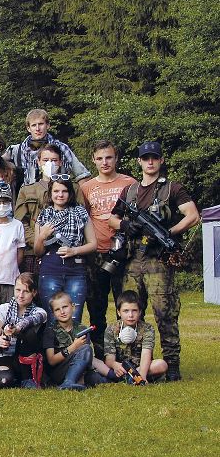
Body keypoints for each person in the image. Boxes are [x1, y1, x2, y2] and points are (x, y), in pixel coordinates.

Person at [120, 141, 199, 381]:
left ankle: (171, 364)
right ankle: (134, 363)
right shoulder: (130, 191)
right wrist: (126, 225)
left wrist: (168, 233)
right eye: (146, 158)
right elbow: (112, 219)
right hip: (133, 260)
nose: (150, 162)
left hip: (159, 261)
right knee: (131, 312)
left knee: (165, 313)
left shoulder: (172, 188)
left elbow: (193, 216)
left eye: (154, 157)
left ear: (161, 160)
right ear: (139, 161)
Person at [80, 140, 137, 353]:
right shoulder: (86, 188)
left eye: (109, 157)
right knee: (96, 306)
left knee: (127, 304)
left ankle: (128, 351)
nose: (104, 162)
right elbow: (83, 218)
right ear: (93, 160)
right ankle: (101, 352)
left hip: (125, 253)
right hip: (96, 253)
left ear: (116, 158)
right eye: (100, 158)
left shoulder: (130, 183)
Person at [34, 177, 96, 322]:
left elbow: (93, 244)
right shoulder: (44, 215)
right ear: (50, 193)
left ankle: (76, 339)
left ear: (70, 193)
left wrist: (74, 251)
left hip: (75, 271)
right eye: (56, 191)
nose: (60, 195)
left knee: (74, 318)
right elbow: (38, 252)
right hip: (50, 271)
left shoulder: (80, 213)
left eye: (64, 191)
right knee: (52, 319)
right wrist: (42, 236)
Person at [15, 144, 69, 274]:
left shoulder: (72, 188)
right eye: (45, 160)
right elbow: (20, 222)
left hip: (65, 250)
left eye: (54, 160)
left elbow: (80, 217)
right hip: (33, 252)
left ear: (60, 162)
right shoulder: (27, 190)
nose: (50, 164)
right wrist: (38, 241)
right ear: (38, 162)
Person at [0, 272, 46, 388]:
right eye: (18, 290)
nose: (20, 295)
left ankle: (27, 378)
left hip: (25, 357)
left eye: (26, 291)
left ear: (34, 293)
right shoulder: (2, 309)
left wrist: (16, 329)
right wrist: (1, 342)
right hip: (3, 356)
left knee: (29, 332)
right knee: (3, 381)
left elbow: (30, 320)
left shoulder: (40, 312)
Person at [6, 108, 90, 186]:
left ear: (48, 125)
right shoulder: (16, 150)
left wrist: (75, 194)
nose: (37, 129)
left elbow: (83, 176)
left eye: (41, 124)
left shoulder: (61, 148)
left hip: (57, 194)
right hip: (27, 196)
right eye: (34, 125)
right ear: (28, 128)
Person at [103, 290, 168, 383]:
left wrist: (142, 376)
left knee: (162, 364)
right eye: (126, 311)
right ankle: (128, 377)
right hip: (121, 368)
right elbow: (109, 358)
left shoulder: (147, 329)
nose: (130, 315)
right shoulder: (111, 329)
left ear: (140, 312)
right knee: (99, 364)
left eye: (134, 311)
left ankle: (133, 377)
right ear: (118, 312)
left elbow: (146, 353)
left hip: (140, 367)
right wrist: (114, 365)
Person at [42, 292, 101, 390]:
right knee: (86, 348)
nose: (62, 311)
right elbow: (51, 361)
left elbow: (86, 358)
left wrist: (111, 373)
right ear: (53, 314)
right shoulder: (50, 331)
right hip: (58, 372)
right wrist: (73, 347)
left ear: (73, 307)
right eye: (57, 309)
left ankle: (76, 381)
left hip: (80, 369)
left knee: (97, 378)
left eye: (65, 307)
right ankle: (68, 382)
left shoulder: (82, 328)